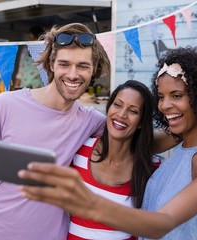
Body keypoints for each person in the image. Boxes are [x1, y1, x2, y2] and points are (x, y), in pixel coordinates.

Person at [18, 46, 197, 239]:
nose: (164, 105)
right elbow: (137, 141)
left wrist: (90, 203)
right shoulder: (182, 148)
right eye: (161, 96)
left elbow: (163, 222)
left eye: (176, 96)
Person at [0, 22, 112, 240]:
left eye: (83, 66)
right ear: (51, 64)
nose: (73, 74)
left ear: (93, 69)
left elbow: (141, 139)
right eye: (64, 64)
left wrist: (177, 133)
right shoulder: (5, 105)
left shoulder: (91, 121)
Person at [68, 80, 156, 239]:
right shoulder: (79, 150)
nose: (122, 114)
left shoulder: (151, 167)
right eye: (117, 105)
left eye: (133, 111)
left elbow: (169, 217)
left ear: (141, 123)